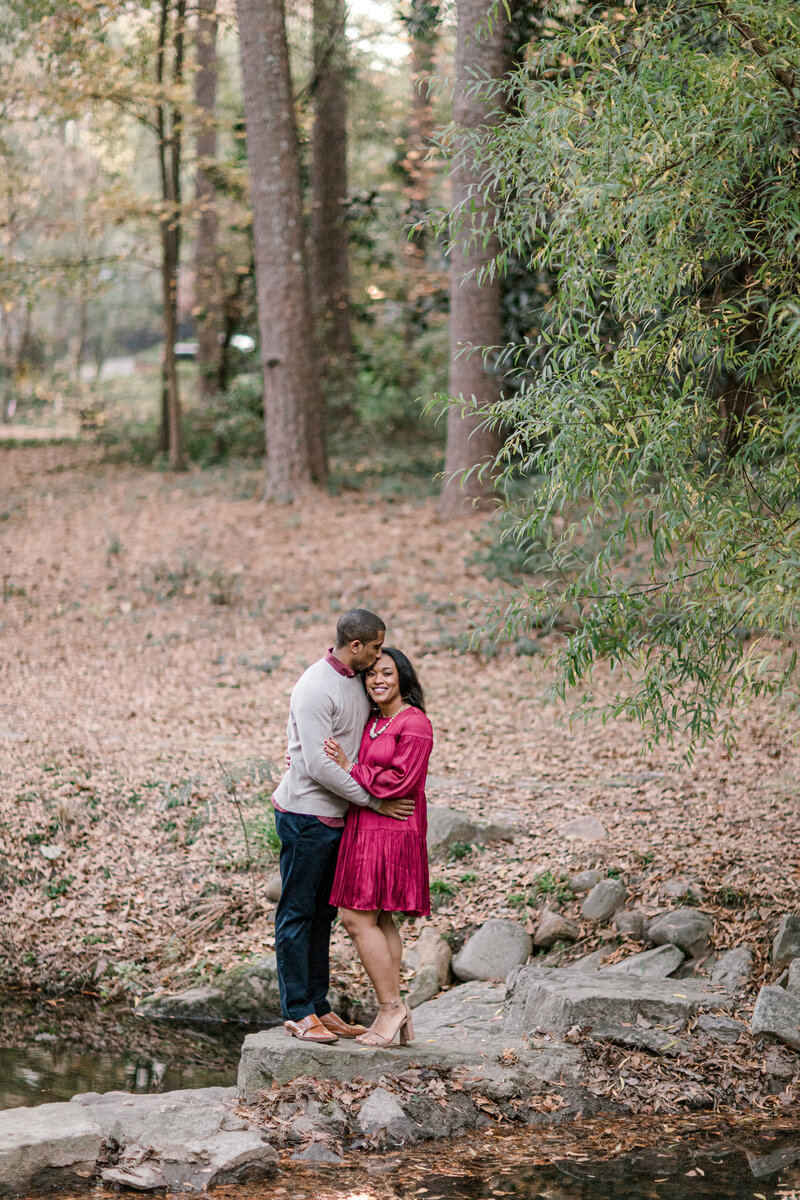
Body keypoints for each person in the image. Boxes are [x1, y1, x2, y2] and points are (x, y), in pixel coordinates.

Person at [272, 610, 415, 1045]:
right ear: (356, 646)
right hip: (307, 815)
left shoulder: (357, 679)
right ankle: (297, 1012)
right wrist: (374, 801)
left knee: (323, 914)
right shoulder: (315, 686)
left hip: (342, 817)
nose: (378, 657)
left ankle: (319, 1007)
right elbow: (316, 764)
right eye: (374, 647)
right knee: (297, 913)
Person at [324, 647, 432, 1047]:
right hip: (366, 821)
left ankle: (390, 1008)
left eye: (386, 672)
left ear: (402, 676)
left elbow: (401, 782)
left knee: (356, 919)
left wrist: (351, 768)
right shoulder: (373, 721)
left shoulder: (415, 723)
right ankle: (395, 1010)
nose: (377, 680)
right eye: (370, 674)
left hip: (392, 825)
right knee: (380, 918)